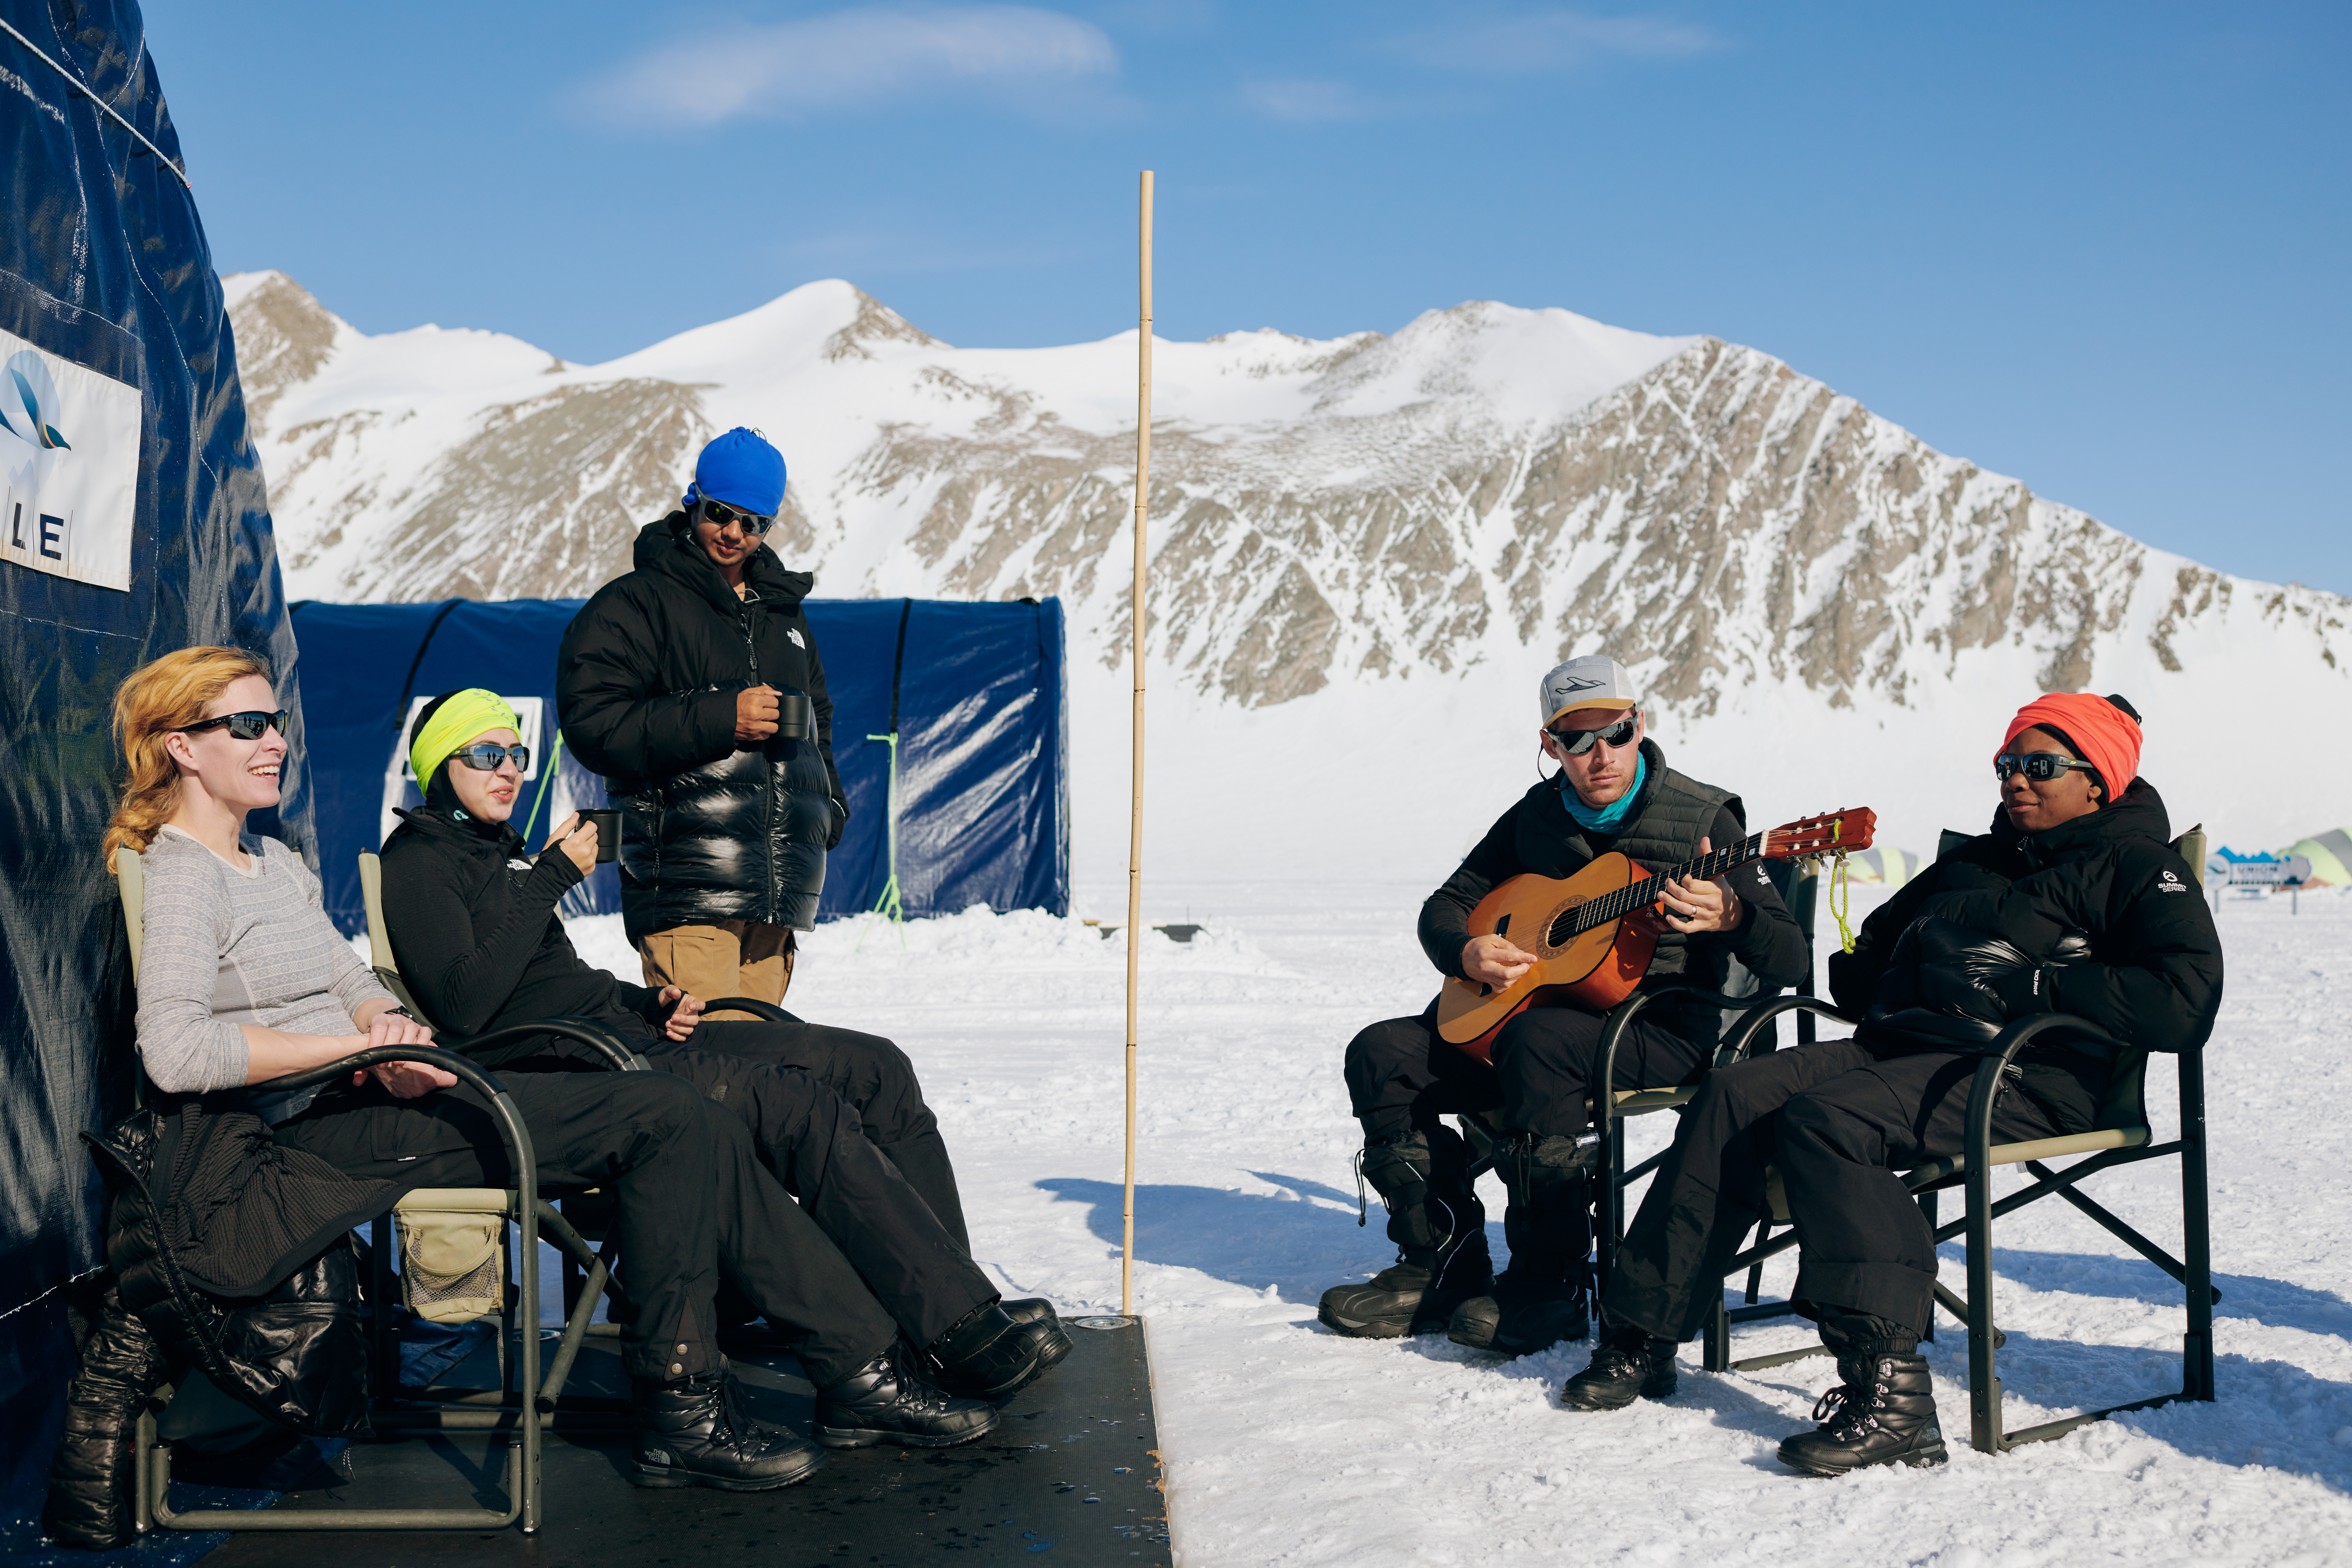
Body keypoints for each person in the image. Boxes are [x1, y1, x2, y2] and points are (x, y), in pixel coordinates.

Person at [109, 646, 1008, 1496]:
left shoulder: (275, 865)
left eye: (276, 724)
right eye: (249, 727)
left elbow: (350, 984)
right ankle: (712, 1403)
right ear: (180, 748)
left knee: (688, 1114)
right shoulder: (186, 875)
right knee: (670, 1119)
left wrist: (387, 1031)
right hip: (303, 1142)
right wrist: (358, 1051)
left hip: (382, 1090)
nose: (275, 742)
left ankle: (848, 1366)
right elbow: (177, 1051)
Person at [1560, 692, 2224, 1478]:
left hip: (2032, 1074)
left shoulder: (2138, 867)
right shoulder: (1974, 859)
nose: (2016, 781)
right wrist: (1894, 970)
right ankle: (1645, 1332)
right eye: (2008, 765)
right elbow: (1866, 957)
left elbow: (2186, 1003)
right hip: (1906, 1051)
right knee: (1733, 1092)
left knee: (1827, 1119)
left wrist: (2036, 985)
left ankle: (1892, 1395)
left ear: (2098, 779)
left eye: (2039, 766)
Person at [373, 687, 1068, 1390]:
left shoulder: (498, 855)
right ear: (439, 766)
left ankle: (953, 1298)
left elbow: (557, 981)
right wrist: (553, 878)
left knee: (876, 1066)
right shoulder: (421, 861)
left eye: (518, 754)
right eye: (487, 754)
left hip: (622, 1039)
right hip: (580, 1072)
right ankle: (948, 1327)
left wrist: (647, 1002)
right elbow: (465, 1006)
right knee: (798, 1108)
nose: (510, 770)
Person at [1318, 655, 1807, 1357]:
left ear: (1640, 724)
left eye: (1615, 731)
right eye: (1576, 740)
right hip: (1534, 1028)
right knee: (1383, 1052)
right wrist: (1466, 952)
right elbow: (1445, 907)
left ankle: (1549, 1286)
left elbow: (1789, 958)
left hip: (1664, 1028)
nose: (1599, 755)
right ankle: (1442, 1266)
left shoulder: (1706, 817)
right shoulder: (1536, 815)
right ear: (1551, 745)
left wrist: (1733, 915)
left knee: (1540, 1039)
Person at [555, 427, 841, 1017]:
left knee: (761, 1077)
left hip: (775, 900)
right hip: (690, 893)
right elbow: (593, 721)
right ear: (694, 502)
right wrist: (722, 716)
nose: (735, 533)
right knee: (710, 1076)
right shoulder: (638, 604)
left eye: (755, 522)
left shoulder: (784, 614)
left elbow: (819, 722)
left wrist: (829, 810)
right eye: (721, 513)